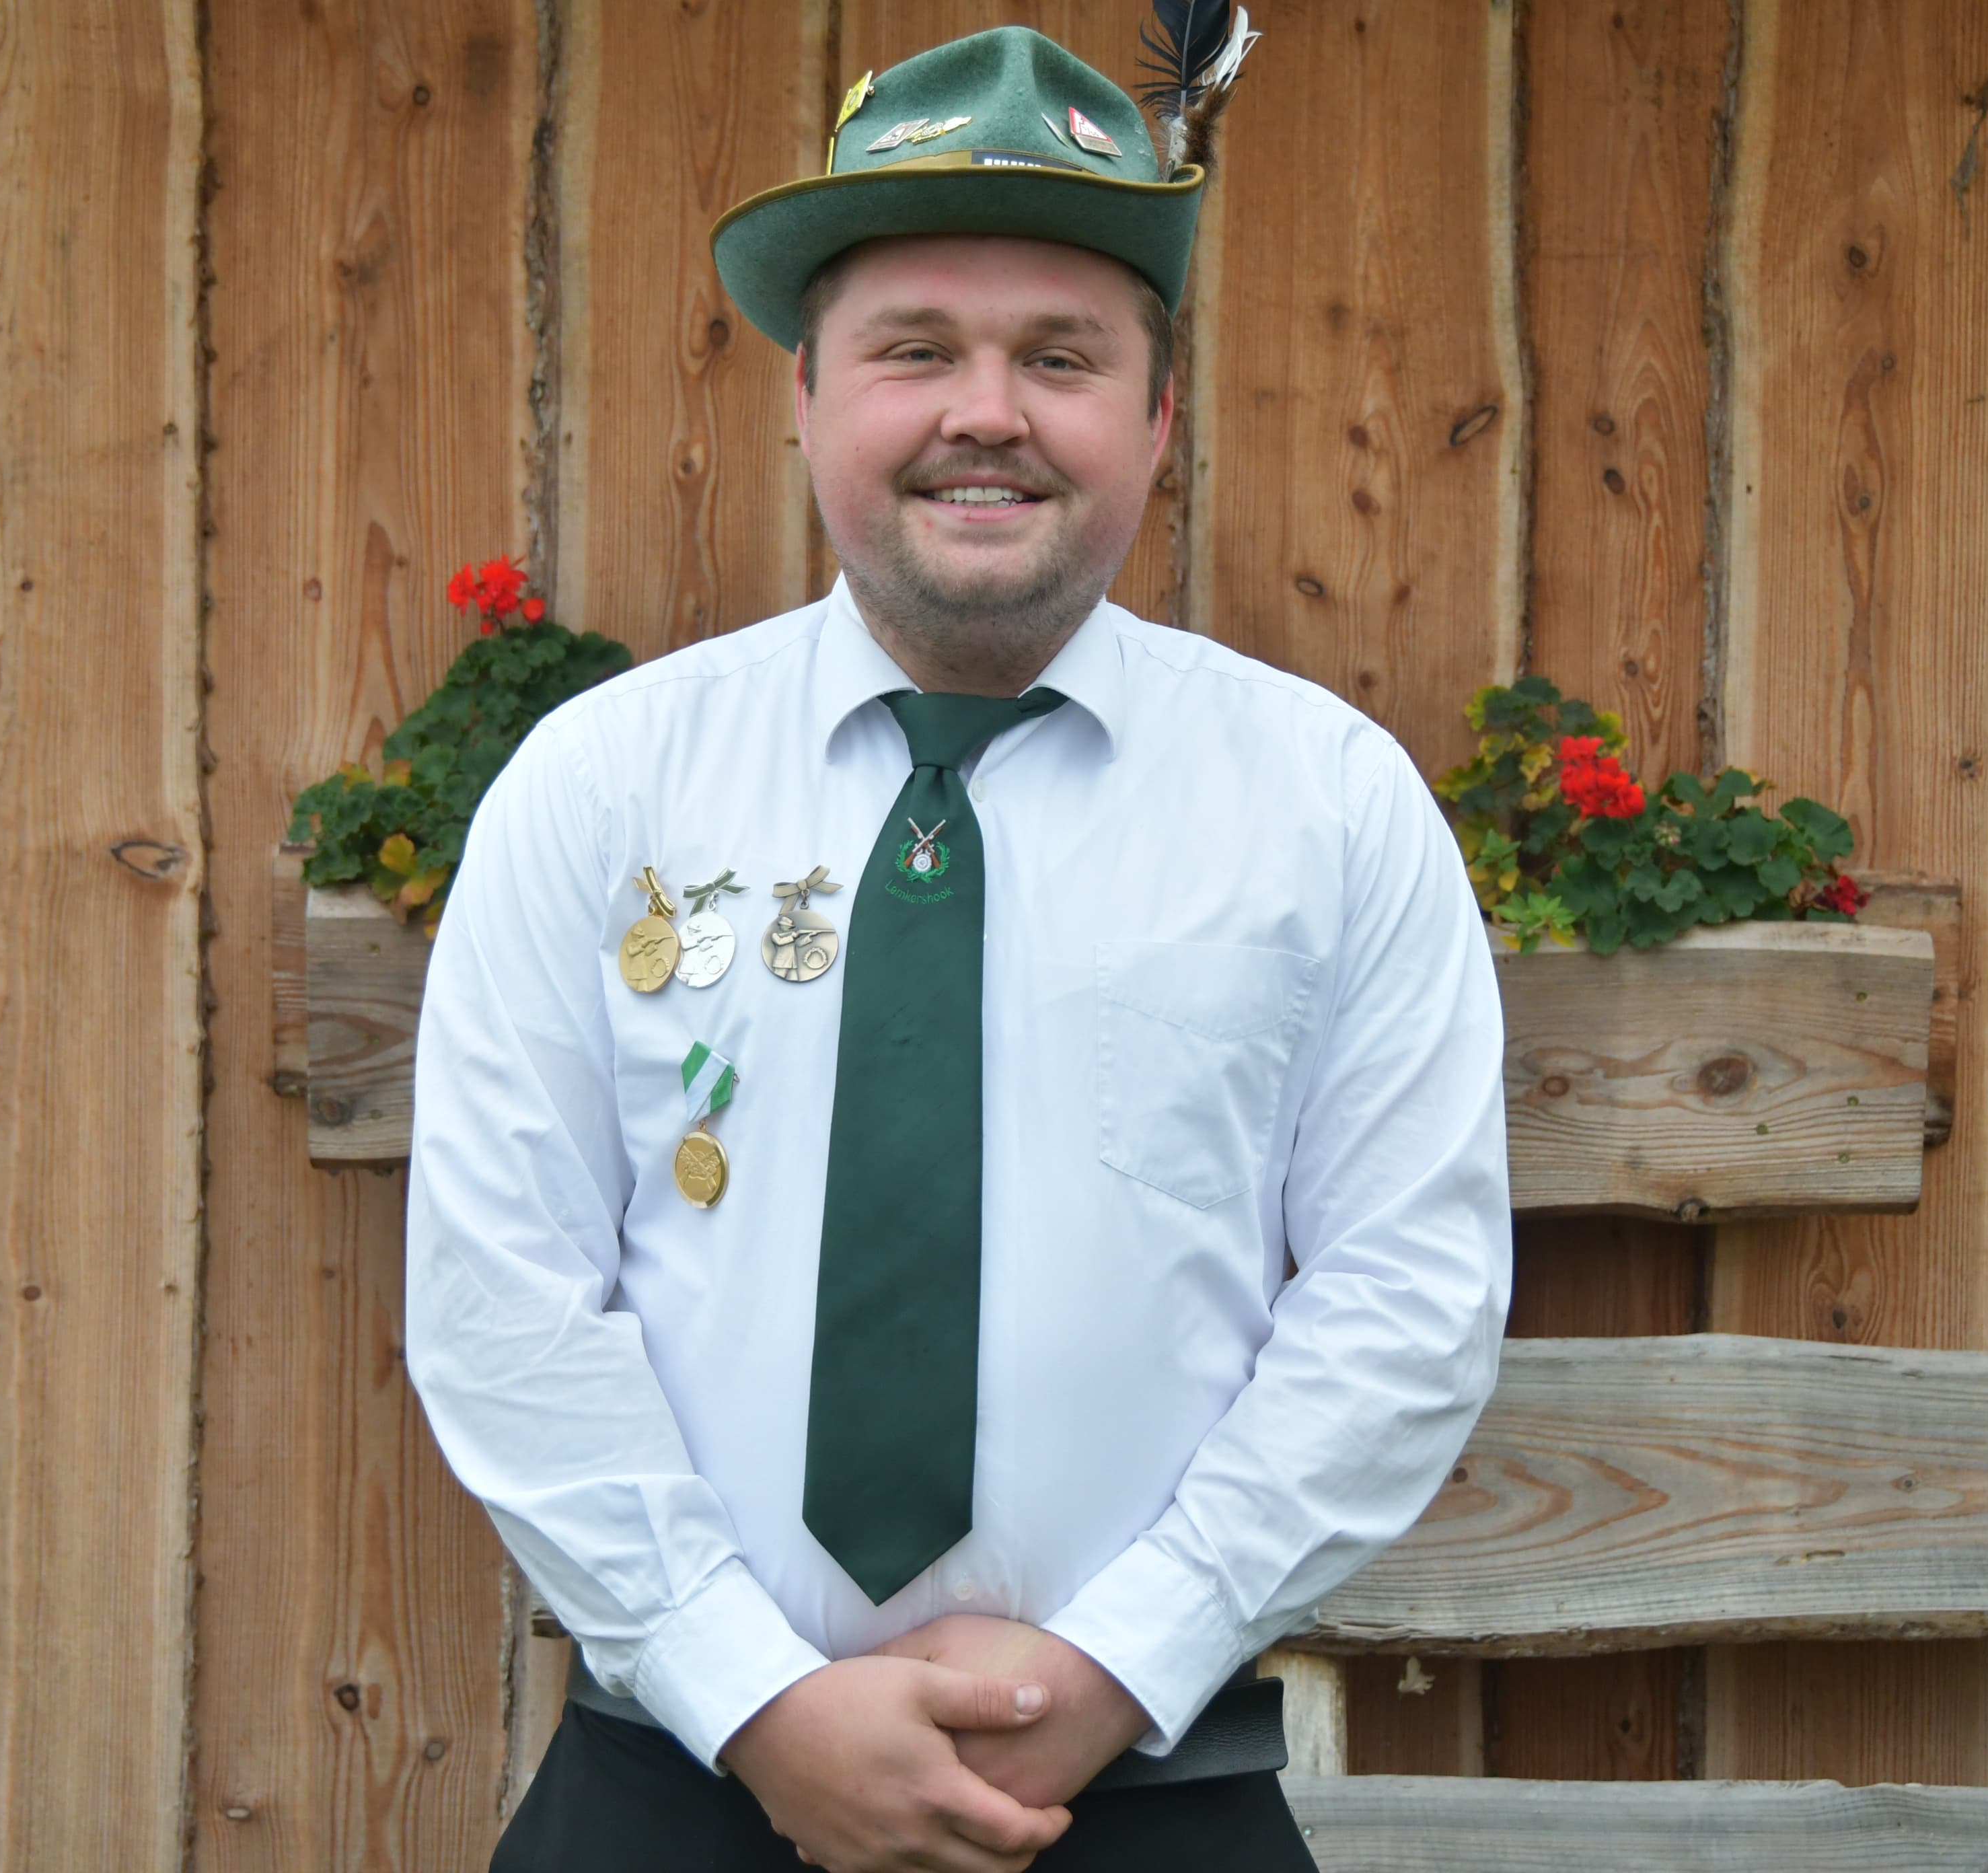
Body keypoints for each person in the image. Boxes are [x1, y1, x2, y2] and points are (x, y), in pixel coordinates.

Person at [404, 20, 1512, 1872]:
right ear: (807, 396)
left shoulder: (1327, 806)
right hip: (677, 1789)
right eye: (914, 350)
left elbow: (1406, 1294)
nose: (985, 411)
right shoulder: (600, 790)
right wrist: (751, 1695)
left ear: (1157, 417)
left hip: (1144, 1794)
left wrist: (1117, 1664)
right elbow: (502, 1291)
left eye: (1060, 358)